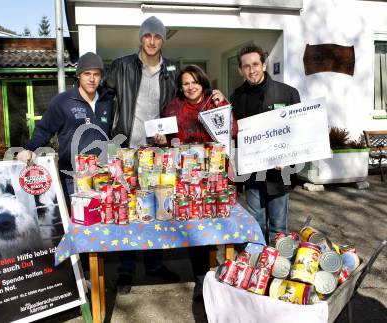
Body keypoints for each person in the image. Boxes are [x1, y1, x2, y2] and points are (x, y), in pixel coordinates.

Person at [106, 16, 179, 294]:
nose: (152, 41)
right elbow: (103, 98)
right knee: (128, 208)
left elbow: (179, 104)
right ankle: (126, 269)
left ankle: (154, 264)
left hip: (157, 152)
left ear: (163, 40)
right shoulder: (122, 66)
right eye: (147, 35)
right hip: (127, 149)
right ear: (141, 37)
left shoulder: (171, 69)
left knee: (158, 207)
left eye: (157, 37)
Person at [155, 64, 237, 301]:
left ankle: (225, 274)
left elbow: (232, 129)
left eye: (194, 82)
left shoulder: (215, 101)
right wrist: (161, 139)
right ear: (181, 87)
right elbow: (166, 138)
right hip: (187, 177)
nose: (190, 87)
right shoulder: (174, 107)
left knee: (218, 221)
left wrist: (224, 104)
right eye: (185, 83)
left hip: (216, 173)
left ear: (202, 83)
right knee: (195, 224)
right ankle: (202, 278)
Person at [17, 52, 114, 208]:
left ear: (101, 76)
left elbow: (113, 131)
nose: (91, 78)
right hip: (71, 178)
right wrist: (28, 149)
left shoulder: (108, 101)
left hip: (101, 177)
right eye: (87, 73)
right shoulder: (63, 101)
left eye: (96, 74)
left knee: (101, 224)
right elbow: (44, 130)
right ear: (78, 75)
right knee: (76, 226)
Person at [230, 44, 300, 243]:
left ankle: (278, 269)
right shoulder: (236, 97)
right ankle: (259, 265)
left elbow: (297, 132)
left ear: (264, 65)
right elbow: (234, 134)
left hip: (279, 172)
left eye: (255, 64)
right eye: (246, 66)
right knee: (256, 224)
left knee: (279, 227)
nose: (251, 70)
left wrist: (287, 157)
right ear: (240, 70)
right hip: (252, 172)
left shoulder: (287, 94)